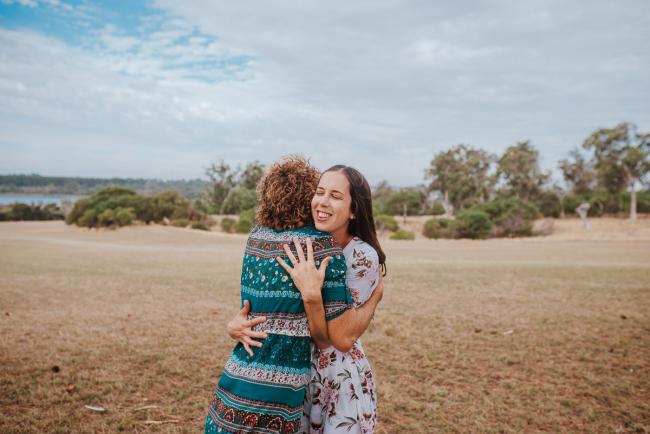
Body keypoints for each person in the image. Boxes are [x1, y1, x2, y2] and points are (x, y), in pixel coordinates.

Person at [204, 156, 381, 434]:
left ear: (354, 210)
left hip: (334, 375)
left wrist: (318, 296)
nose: (322, 202)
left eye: (335, 196)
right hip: (296, 373)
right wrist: (236, 324)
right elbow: (274, 309)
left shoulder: (361, 256)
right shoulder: (306, 244)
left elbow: (335, 339)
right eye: (319, 192)